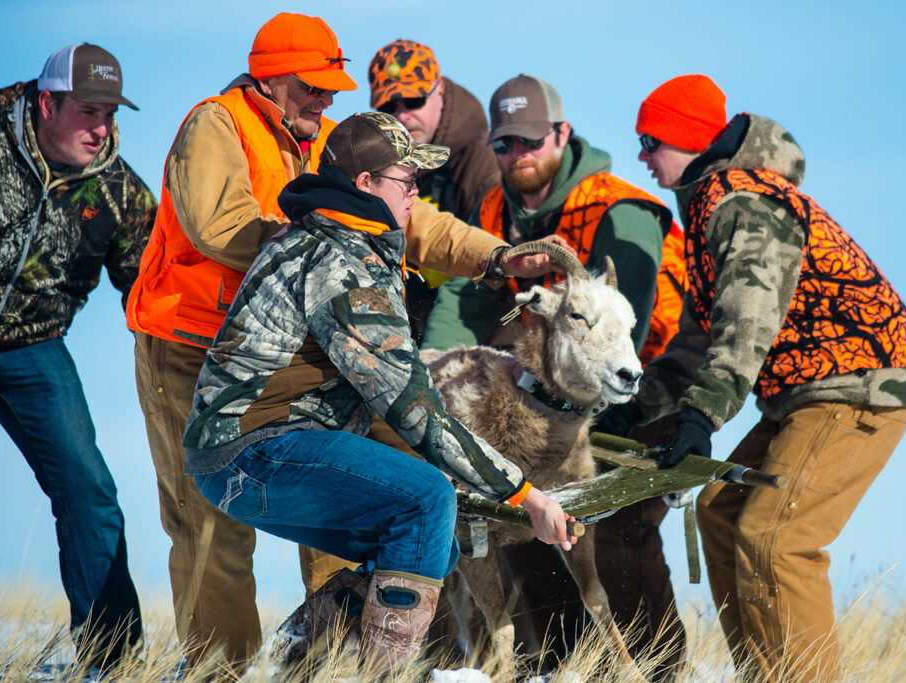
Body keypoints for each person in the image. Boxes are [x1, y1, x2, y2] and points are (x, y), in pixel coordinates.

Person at [125, 14, 569, 669]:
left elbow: (420, 221)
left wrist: (497, 255)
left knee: (401, 497)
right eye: (313, 85)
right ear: (272, 77)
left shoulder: (338, 146)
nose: (327, 98)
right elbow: (218, 225)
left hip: (307, 366)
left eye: (334, 87)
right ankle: (223, 667)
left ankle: (323, 648)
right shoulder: (218, 124)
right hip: (190, 346)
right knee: (214, 532)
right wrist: (318, 237)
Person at [630, 74, 906, 681]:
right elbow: (698, 339)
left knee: (776, 535)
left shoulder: (743, 203)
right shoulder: (709, 207)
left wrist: (701, 416)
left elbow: (748, 321)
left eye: (650, 140)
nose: (642, 155)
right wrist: (636, 410)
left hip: (862, 382)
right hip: (807, 390)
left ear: (688, 140)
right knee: (722, 511)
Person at [423, 73, 689, 676]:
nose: (518, 156)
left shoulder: (616, 206)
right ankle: (561, 668)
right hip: (552, 403)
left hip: (644, 392)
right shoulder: (494, 209)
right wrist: (429, 373)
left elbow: (634, 321)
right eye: (505, 144)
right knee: (527, 527)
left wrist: (601, 405)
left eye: (531, 141)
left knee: (619, 536)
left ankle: (657, 671)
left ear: (562, 134)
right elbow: (464, 301)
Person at [0, 43, 153, 671]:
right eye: (88, 112)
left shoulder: (118, 189)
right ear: (47, 103)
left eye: (109, 114)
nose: (101, 129)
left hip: (35, 349)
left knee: (89, 489)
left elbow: (153, 290)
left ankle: (114, 662)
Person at [368, 39, 500, 344]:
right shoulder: (391, 160)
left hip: (470, 335)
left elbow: (490, 280)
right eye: (389, 106)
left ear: (439, 91)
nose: (401, 116)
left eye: (412, 100)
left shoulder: (482, 160)